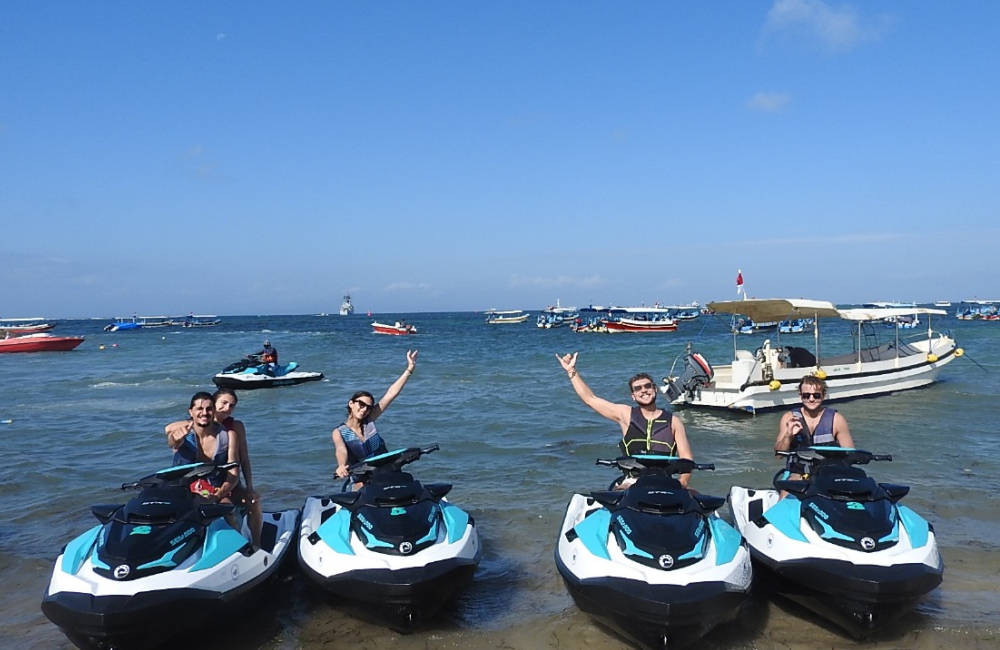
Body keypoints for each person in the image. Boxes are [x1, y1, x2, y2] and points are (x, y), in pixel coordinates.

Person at [555, 352, 693, 488]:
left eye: (647, 386)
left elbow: (686, 458)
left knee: (696, 501)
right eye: (638, 388)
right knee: (620, 493)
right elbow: (590, 399)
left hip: (665, 480)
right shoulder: (625, 414)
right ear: (633, 396)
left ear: (655, 389)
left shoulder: (673, 421)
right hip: (632, 481)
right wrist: (571, 372)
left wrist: (683, 482)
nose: (644, 390)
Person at [165, 388, 263, 549]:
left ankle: (255, 546)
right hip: (189, 488)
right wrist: (176, 437)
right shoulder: (185, 431)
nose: (227, 408)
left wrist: (239, 488)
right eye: (223, 403)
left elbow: (238, 465)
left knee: (251, 501)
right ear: (191, 411)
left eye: (231, 405)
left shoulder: (231, 432)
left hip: (219, 484)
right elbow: (173, 441)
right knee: (223, 508)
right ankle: (233, 546)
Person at [332, 350, 418, 486]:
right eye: (361, 404)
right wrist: (341, 466)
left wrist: (409, 369)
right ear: (351, 404)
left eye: (369, 407)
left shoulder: (369, 420)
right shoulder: (339, 432)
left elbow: (390, 394)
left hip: (388, 472)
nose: (365, 409)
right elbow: (341, 449)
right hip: (363, 480)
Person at [774, 375, 854, 480]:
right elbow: (778, 455)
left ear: (823, 395)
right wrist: (788, 436)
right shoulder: (789, 418)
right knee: (786, 494)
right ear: (800, 395)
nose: (811, 399)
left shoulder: (837, 420)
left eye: (816, 395)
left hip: (829, 474)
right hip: (798, 473)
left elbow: (851, 454)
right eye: (806, 395)